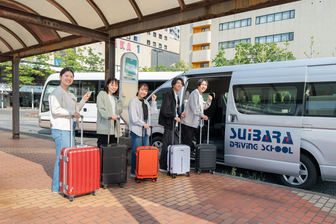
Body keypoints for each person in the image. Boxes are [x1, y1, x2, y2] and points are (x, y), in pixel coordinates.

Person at [49, 67, 91, 194]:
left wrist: (84, 100)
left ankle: (65, 184)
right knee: (62, 158)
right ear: (60, 77)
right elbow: (55, 110)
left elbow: (76, 108)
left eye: (71, 77)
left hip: (69, 128)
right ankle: (56, 187)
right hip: (61, 129)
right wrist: (72, 112)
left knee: (67, 158)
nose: (69, 78)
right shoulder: (56, 92)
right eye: (66, 75)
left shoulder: (69, 93)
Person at [128, 83, 158, 177]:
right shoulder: (133, 101)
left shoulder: (145, 102)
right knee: (136, 151)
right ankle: (134, 171)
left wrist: (153, 101)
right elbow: (134, 118)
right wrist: (143, 123)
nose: (143, 92)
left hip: (145, 129)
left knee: (145, 152)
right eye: (142, 89)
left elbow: (153, 111)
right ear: (138, 90)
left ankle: (143, 171)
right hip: (136, 129)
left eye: (145, 90)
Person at [158, 77, 186, 172]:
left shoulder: (176, 96)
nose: (179, 85)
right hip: (169, 123)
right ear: (173, 84)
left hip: (175, 124)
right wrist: (174, 116)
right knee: (167, 144)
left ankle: (172, 165)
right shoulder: (169, 94)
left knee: (175, 144)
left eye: (181, 84)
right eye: (178, 83)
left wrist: (180, 115)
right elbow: (164, 110)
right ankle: (163, 166)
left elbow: (175, 110)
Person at [181, 79, 212, 148]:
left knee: (202, 133)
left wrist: (209, 101)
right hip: (188, 123)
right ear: (198, 85)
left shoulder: (200, 95)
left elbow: (203, 107)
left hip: (195, 123)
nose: (204, 86)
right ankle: (185, 157)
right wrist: (202, 115)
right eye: (202, 85)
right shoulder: (194, 93)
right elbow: (195, 109)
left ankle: (197, 150)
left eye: (205, 85)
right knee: (187, 143)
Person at [96, 78, 126, 148]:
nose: (114, 87)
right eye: (112, 84)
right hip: (104, 129)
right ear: (107, 85)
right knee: (103, 151)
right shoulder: (102, 94)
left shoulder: (114, 99)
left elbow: (118, 111)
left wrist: (122, 99)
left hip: (114, 129)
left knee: (112, 152)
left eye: (116, 85)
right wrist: (110, 116)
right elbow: (101, 110)